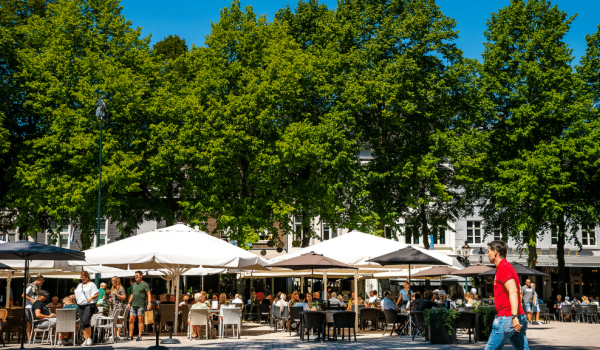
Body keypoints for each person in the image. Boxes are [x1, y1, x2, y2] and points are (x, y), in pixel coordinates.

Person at [485, 240, 528, 350]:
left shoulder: (503, 267)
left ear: (495, 252)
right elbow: (519, 290)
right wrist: (518, 313)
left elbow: (513, 290)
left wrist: (513, 316)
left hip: (507, 317)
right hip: (516, 315)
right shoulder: (507, 266)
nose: (487, 254)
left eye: (488, 251)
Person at [74, 271, 99, 346]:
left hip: (88, 305)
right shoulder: (79, 285)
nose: (82, 279)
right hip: (80, 305)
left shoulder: (92, 285)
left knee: (86, 321)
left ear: (87, 277)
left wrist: (91, 298)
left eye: (83, 277)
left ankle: (89, 339)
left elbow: (97, 294)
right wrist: (74, 296)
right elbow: (76, 293)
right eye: (81, 278)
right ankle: (86, 339)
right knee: (83, 322)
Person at [127, 270, 151, 341]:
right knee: (131, 320)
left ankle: (139, 335)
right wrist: (129, 303)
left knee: (140, 320)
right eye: (135, 276)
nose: (136, 277)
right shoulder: (134, 284)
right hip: (133, 305)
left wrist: (149, 303)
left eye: (137, 276)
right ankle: (130, 335)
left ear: (141, 276)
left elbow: (149, 294)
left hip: (141, 304)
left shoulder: (145, 284)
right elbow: (132, 294)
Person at [24, 274, 44, 342]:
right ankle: (29, 338)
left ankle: (33, 338)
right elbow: (23, 295)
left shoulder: (35, 287)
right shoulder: (30, 286)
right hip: (28, 306)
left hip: (33, 306)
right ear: (38, 280)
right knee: (29, 322)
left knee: (33, 322)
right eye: (41, 282)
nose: (41, 284)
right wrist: (32, 300)